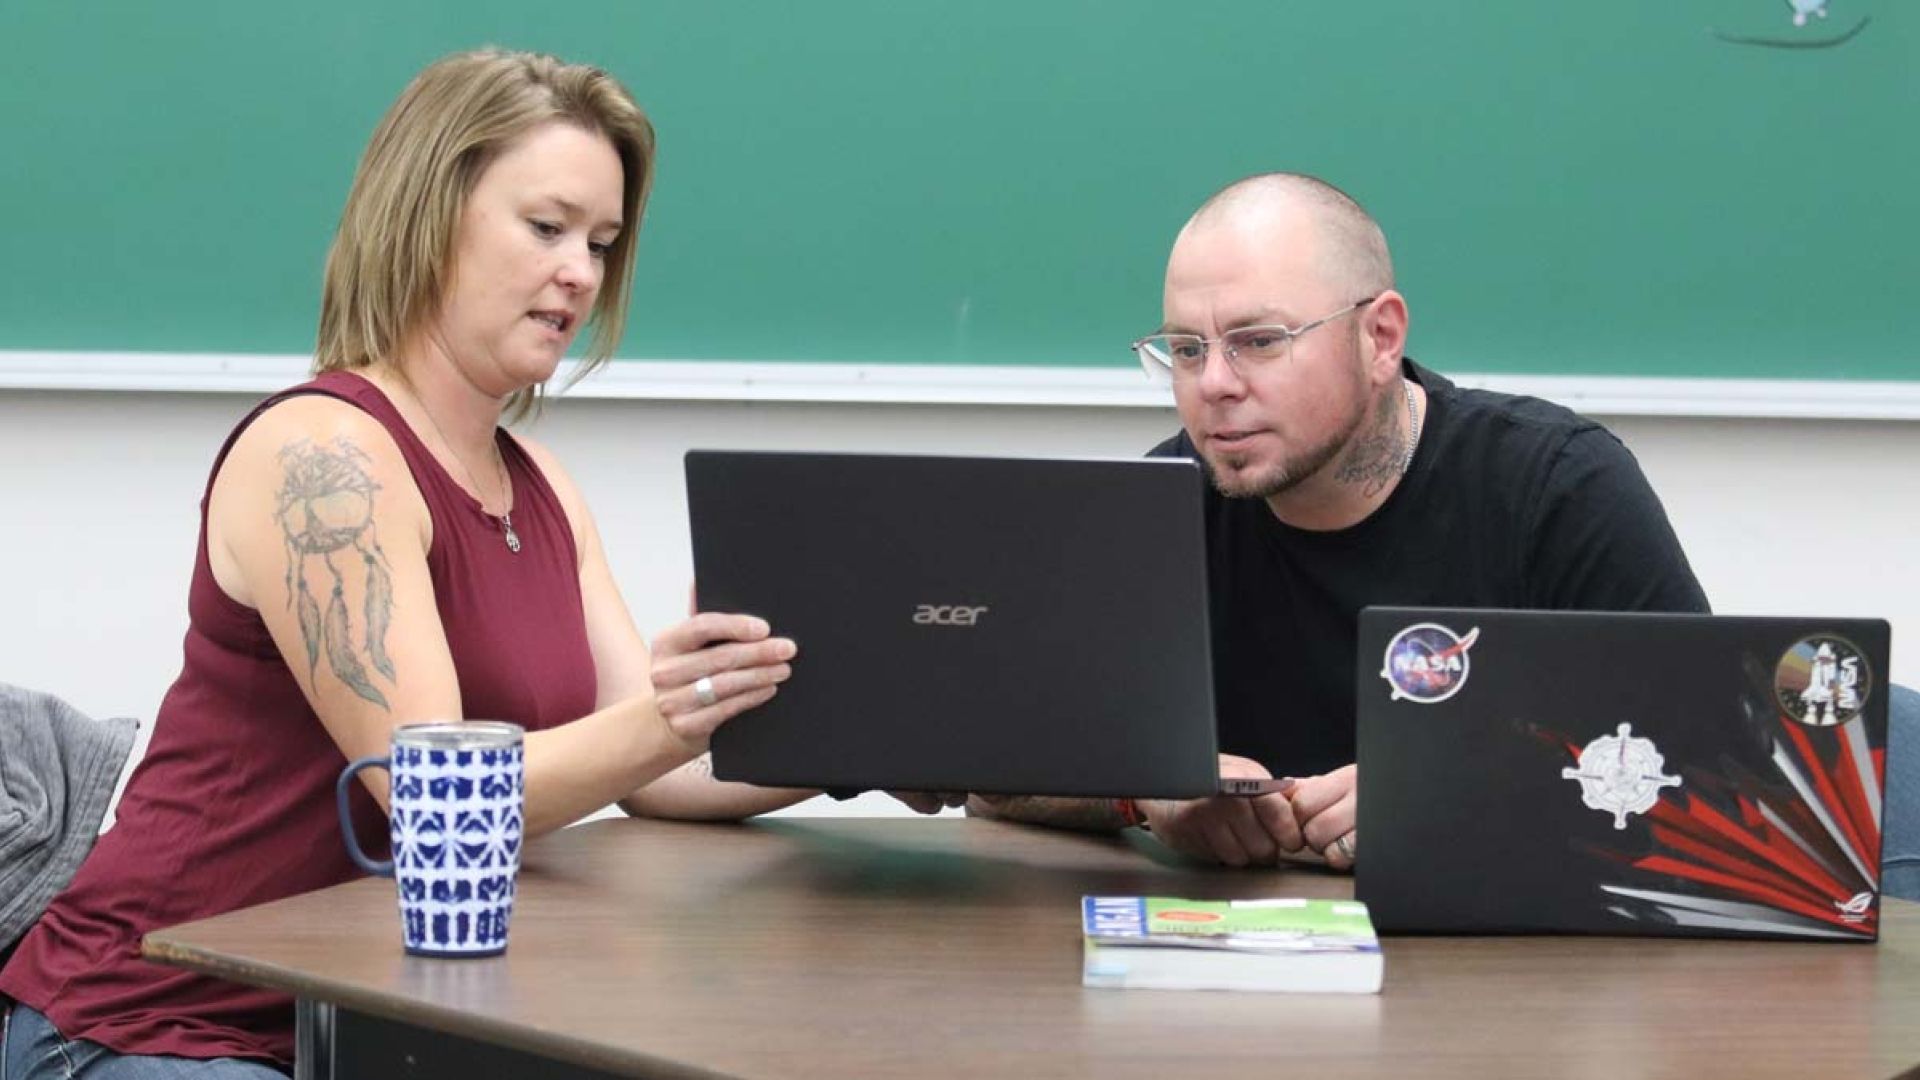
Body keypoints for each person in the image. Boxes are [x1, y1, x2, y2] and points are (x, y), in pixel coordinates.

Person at [0, 49, 809, 1078]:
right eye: (547, 227)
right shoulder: (322, 458)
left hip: (356, 1026)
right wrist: (675, 709)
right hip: (147, 1025)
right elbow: (437, 804)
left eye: (602, 243)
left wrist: (847, 743)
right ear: (431, 215)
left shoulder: (544, 488)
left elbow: (660, 767)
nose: (582, 273)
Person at [970, 173, 1709, 870]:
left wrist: (1468, 788)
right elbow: (994, 772)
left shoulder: (1557, 488)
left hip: (1508, 969)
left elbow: (1716, 760)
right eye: (1188, 350)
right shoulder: (1157, 508)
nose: (1216, 385)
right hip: (1232, 968)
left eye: (1260, 341)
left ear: (1380, 338)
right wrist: (1143, 792)